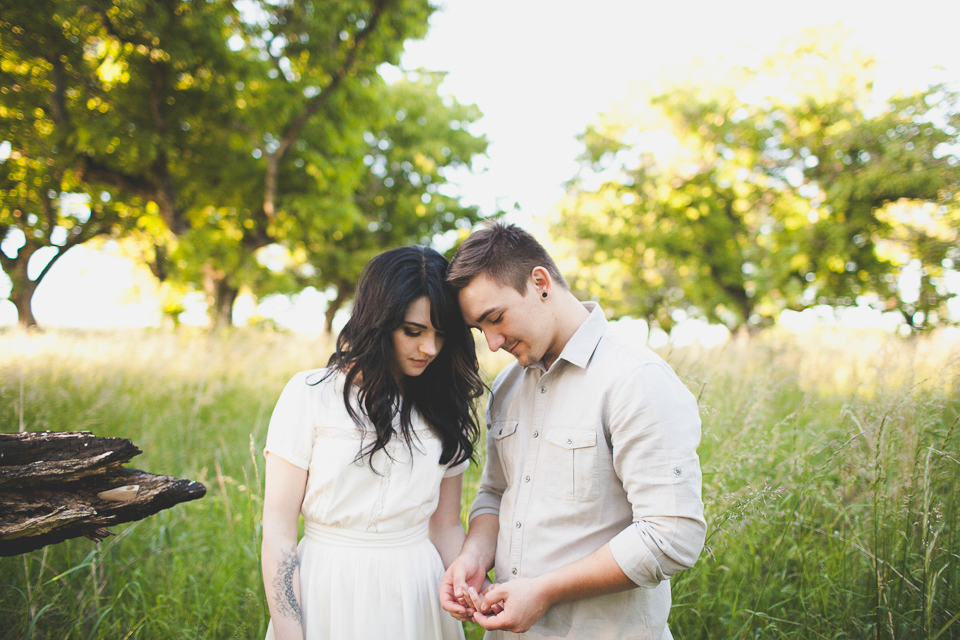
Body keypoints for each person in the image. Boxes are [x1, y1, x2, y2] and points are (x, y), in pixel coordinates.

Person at [439, 223, 706, 639]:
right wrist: (474, 555)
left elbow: (672, 534)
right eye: (480, 330)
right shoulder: (507, 388)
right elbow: (494, 494)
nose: (491, 343)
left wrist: (545, 592)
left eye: (495, 319)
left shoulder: (636, 378)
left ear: (540, 283)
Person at [261, 245, 484, 640]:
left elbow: (446, 526)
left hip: (417, 588)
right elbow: (279, 531)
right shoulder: (309, 394)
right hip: (327, 586)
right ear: (378, 322)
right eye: (413, 332)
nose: (429, 349)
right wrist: (288, 631)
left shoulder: (442, 404)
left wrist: (474, 594)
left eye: (440, 335)